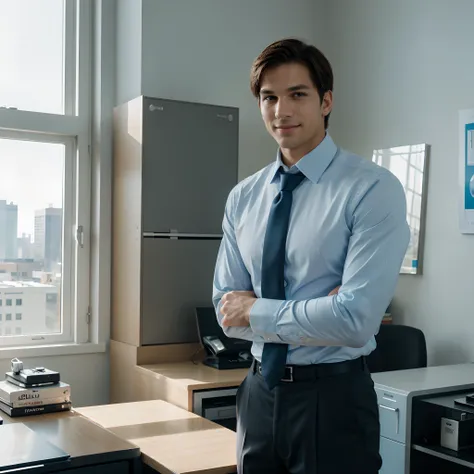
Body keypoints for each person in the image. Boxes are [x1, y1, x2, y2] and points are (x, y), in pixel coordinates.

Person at [212, 38, 410, 474]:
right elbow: (226, 314)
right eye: (269, 97)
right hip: (258, 394)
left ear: (326, 101)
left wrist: (258, 310)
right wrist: (319, 313)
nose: (281, 111)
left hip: (333, 399)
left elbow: (355, 321)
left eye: (297, 94)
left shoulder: (372, 189)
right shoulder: (243, 197)